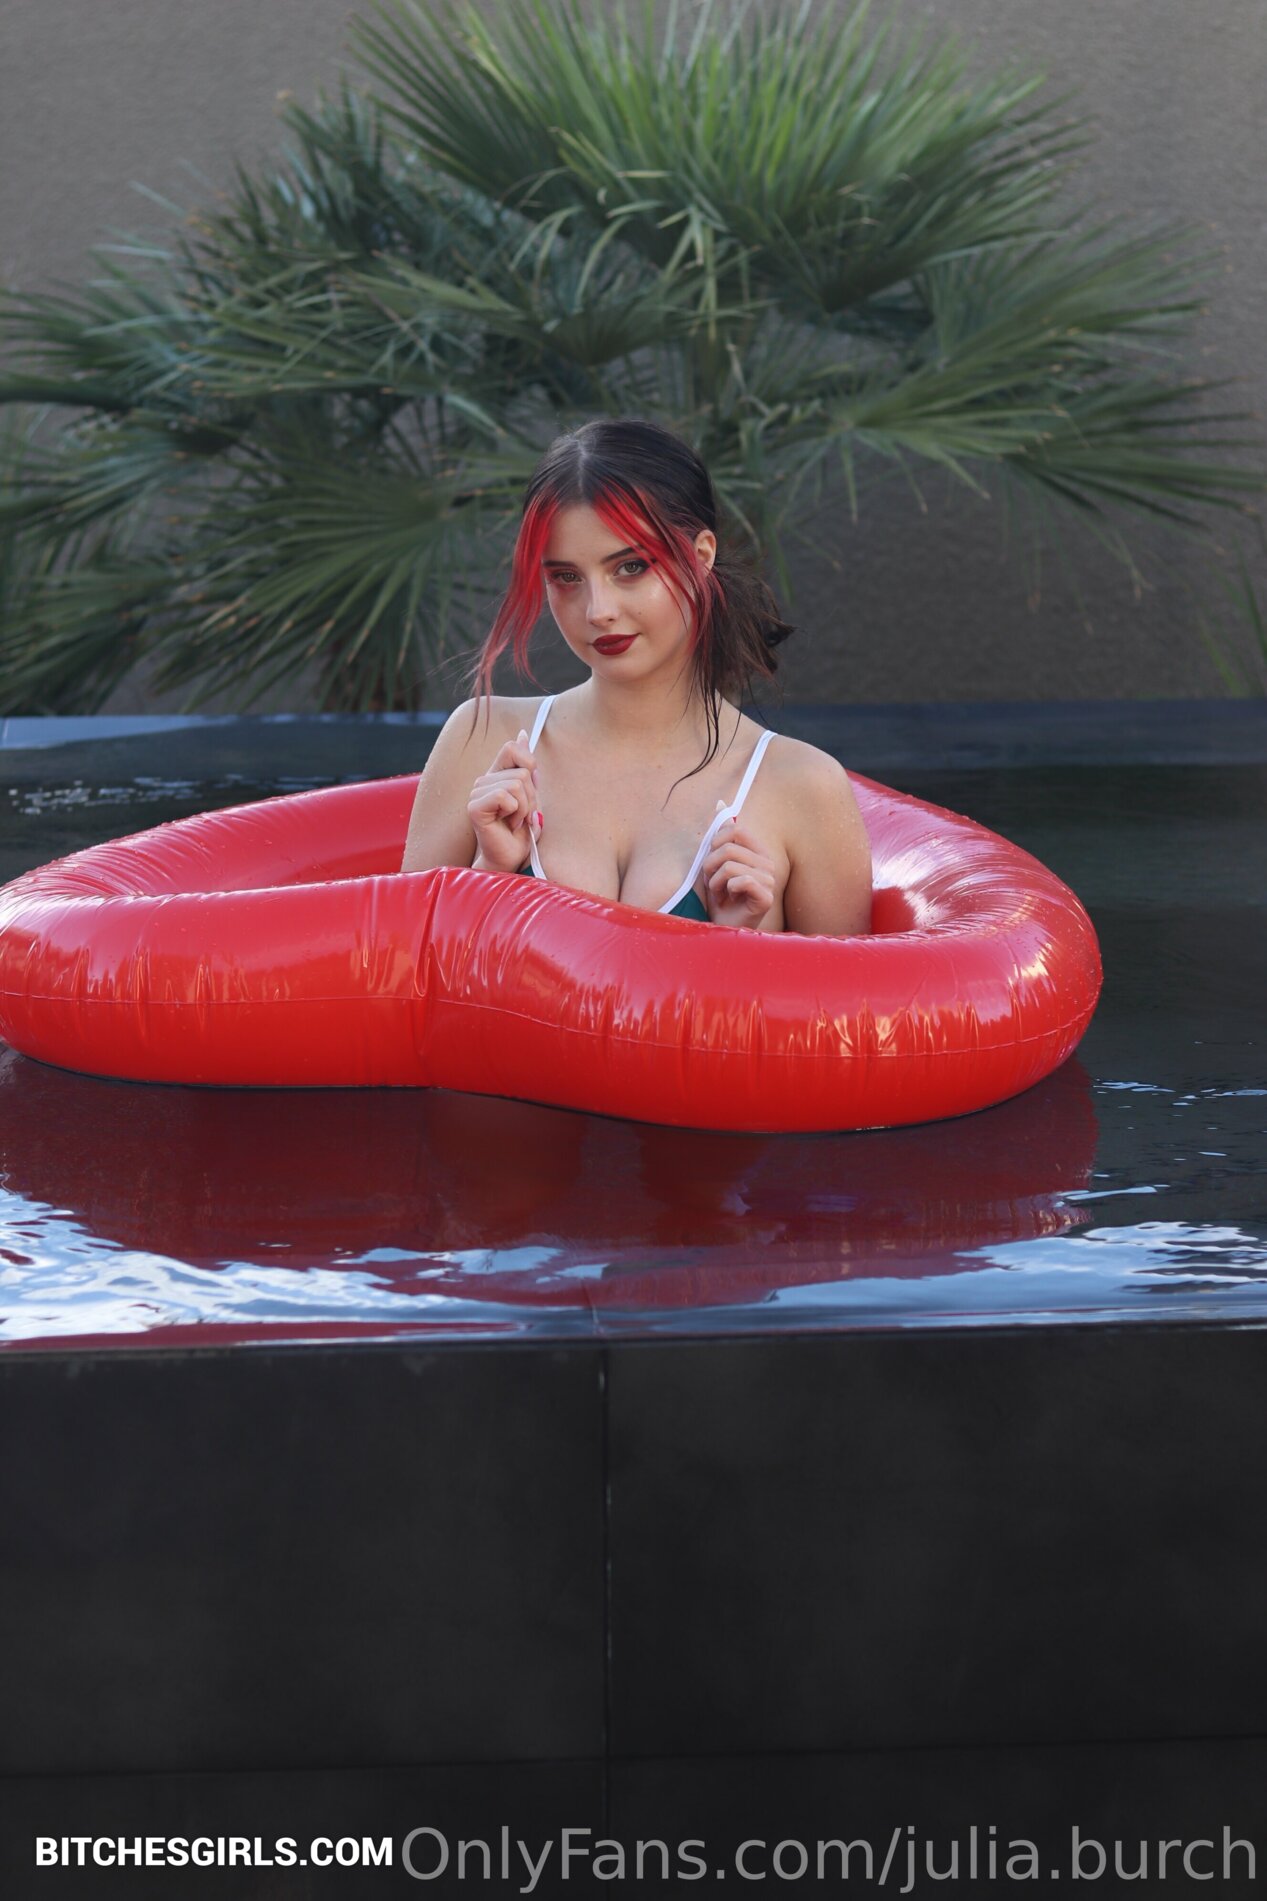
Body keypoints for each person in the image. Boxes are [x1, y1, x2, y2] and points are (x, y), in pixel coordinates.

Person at [400, 418, 871, 936]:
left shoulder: (803, 787)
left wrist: (738, 944)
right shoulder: (481, 738)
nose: (598, 610)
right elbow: (400, 969)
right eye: (566, 577)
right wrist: (488, 874)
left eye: (630, 567)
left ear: (701, 556)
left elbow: (851, 992)